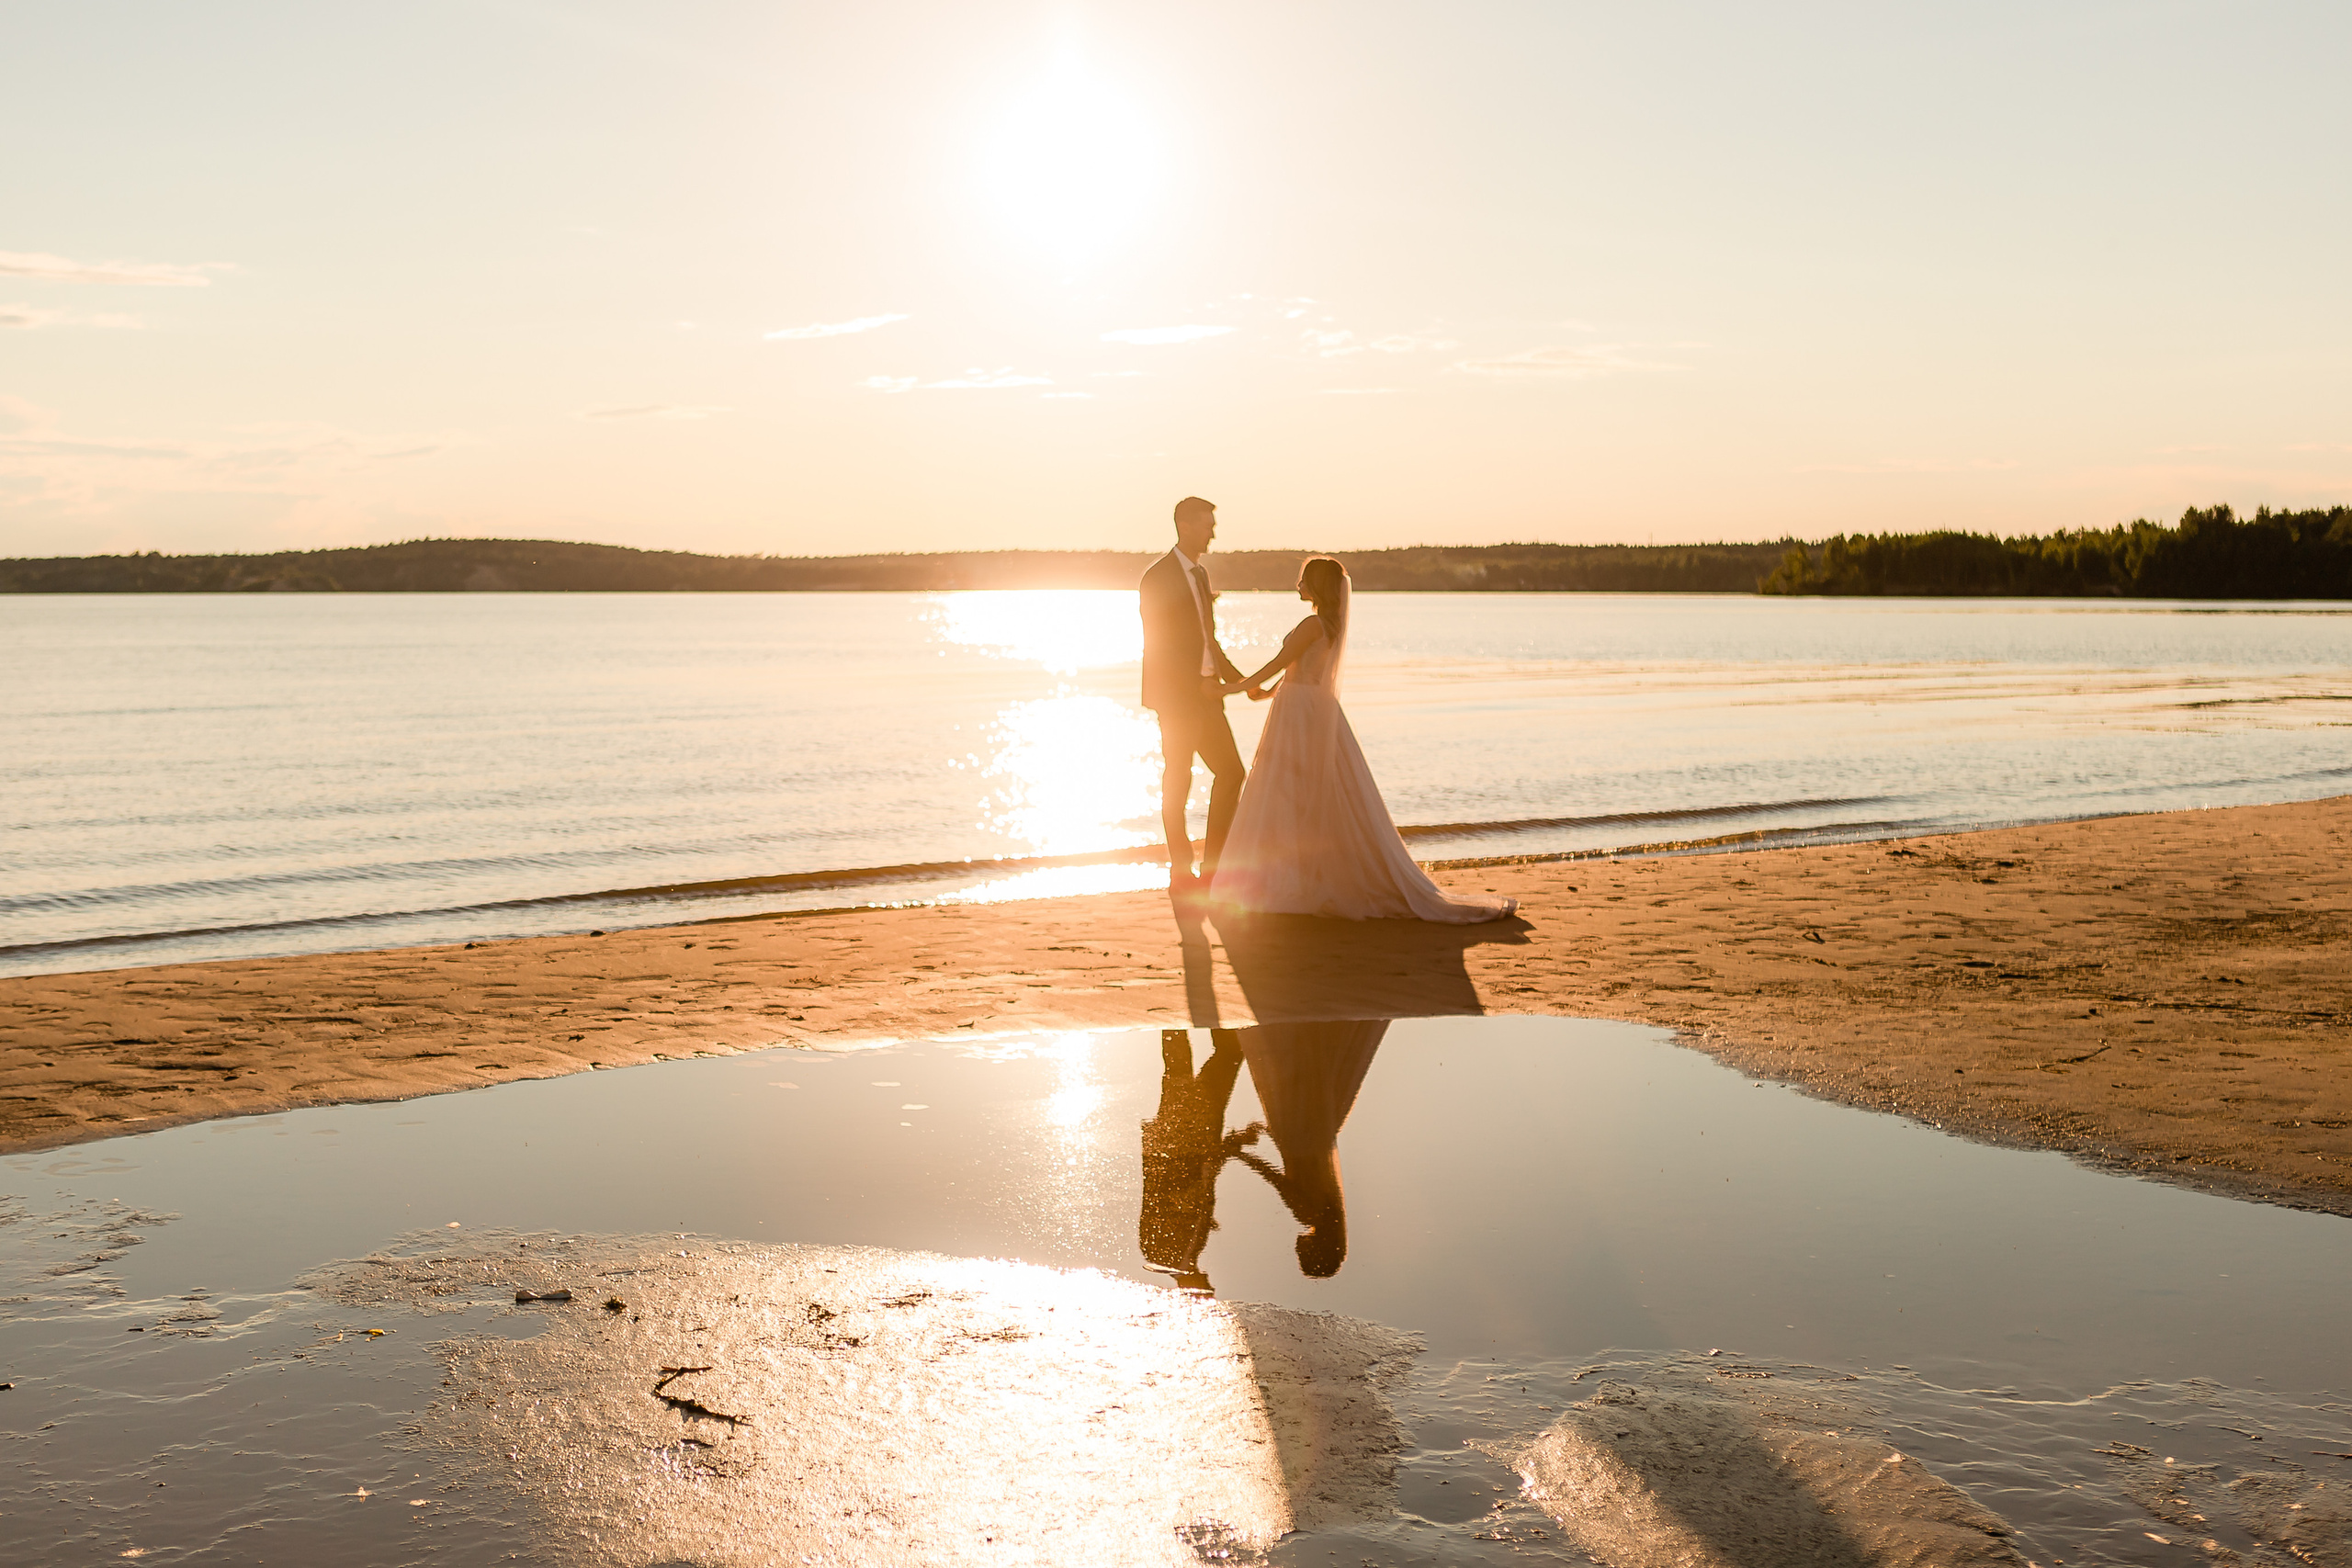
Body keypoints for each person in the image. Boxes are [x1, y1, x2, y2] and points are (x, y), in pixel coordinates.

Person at [1212, 556, 1518, 923]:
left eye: (1304, 579)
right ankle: (1298, 874)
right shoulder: (1329, 625)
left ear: (1318, 585)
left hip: (1298, 712)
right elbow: (1301, 669)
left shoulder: (1312, 624)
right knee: (1308, 792)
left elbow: (1279, 662)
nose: (1298, 584)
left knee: (1286, 792)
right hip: (1308, 706)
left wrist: (1231, 688)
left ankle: (1286, 878)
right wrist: (1265, 693)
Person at [1138, 496, 1248, 891]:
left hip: (1208, 696)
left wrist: (1243, 683)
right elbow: (1160, 644)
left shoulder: (1200, 575)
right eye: (1207, 524)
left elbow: (1208, 640)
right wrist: (1196, 683)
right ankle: (1181, 869)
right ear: (1185, 525)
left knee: (1232, 773)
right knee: (1178, 779)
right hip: (1176, 699)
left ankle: (1214, 867)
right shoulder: (1157, 578)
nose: (1213, 532)